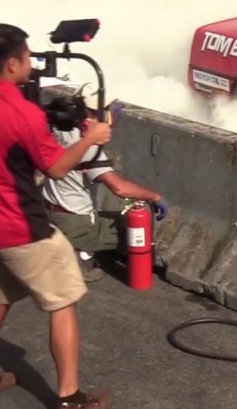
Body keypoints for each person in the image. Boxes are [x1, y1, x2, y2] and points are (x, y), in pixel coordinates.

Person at [0, 23, 112, 409]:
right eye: (29, 57)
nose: (33, 63)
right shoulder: (23, 114)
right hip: (22, 230)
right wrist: (91, 138)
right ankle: (69, 398)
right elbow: (55, 168)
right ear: (15, 62)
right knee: (64, 301)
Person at [39, 87, 169, 282]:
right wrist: (155, 196)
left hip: (48, 212)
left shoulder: (57, 131)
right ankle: (81, 253)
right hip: (75, 221)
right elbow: (119, 188)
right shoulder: (89, 148)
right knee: (131, 226)